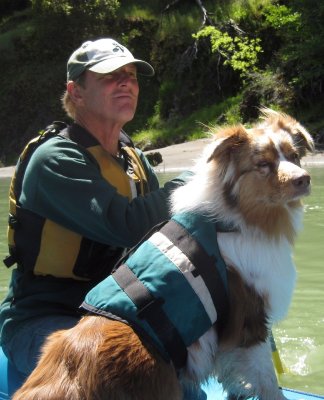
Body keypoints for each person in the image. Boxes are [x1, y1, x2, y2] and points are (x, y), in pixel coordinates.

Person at [0, 38, 193, 379]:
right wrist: (200, 182)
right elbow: (127, 224)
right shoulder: (55, 159)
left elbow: (166, 234)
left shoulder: (134, 160)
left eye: (131, 76)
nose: (126, 83)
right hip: (46, 314)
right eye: (110, 76)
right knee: (107, 379)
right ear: (76, 92)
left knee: (186, 382)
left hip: (117, 309)